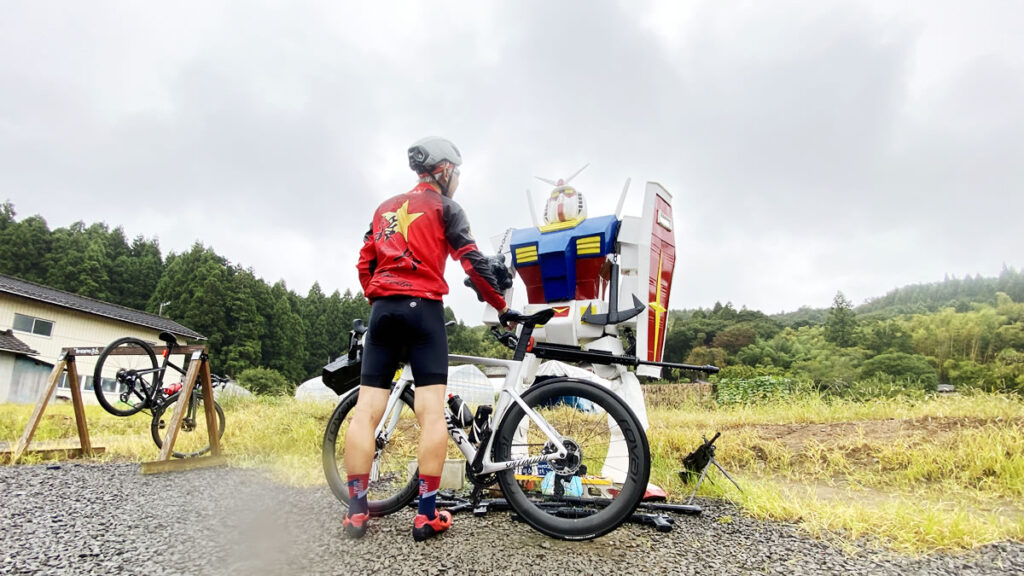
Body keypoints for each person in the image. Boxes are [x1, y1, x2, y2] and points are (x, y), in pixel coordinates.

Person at [345, 136, 518, 541]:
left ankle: (356, 512)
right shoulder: (446, 208)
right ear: (444, 171)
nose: (457, 180)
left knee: (366, 410)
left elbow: (363, 261)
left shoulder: (385, 208)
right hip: (423, 312)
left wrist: (378, 293)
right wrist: (501, 306)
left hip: (384, 312)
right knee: (431, 414)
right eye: (456, 173)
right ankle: (425, 514)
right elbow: (473, 263)